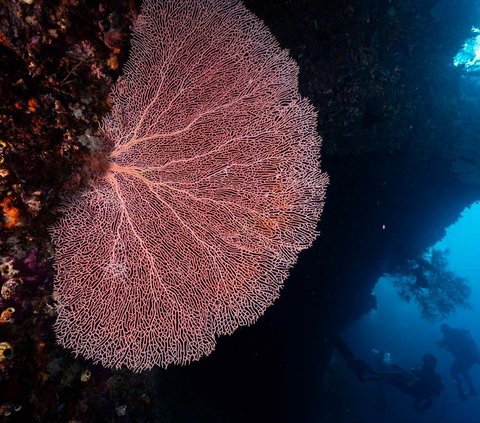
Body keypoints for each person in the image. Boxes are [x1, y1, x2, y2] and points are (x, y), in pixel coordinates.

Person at [331, 335, 443, 412]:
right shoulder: (427, 372)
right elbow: (413, 380)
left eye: (425, 362)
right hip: (412, 390)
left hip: (414, 390)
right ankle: (367, 377)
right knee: (392, 377)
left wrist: (419, 404)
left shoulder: (431, 375)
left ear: (430, 363)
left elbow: (419, 385)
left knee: (395, 376)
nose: (423, 364)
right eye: (424, 362)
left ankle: (369, 375)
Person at [438, 323, 480, 400]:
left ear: (445, 329)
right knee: (462, 372)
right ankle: (468, 390)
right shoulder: (452, 333)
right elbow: (445, 344)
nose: (443, 333)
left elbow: (447, 345)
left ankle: (464, 392)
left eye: (443, 331)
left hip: (466, 357)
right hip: (467, 357)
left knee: (455, 372)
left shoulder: (453, 333)